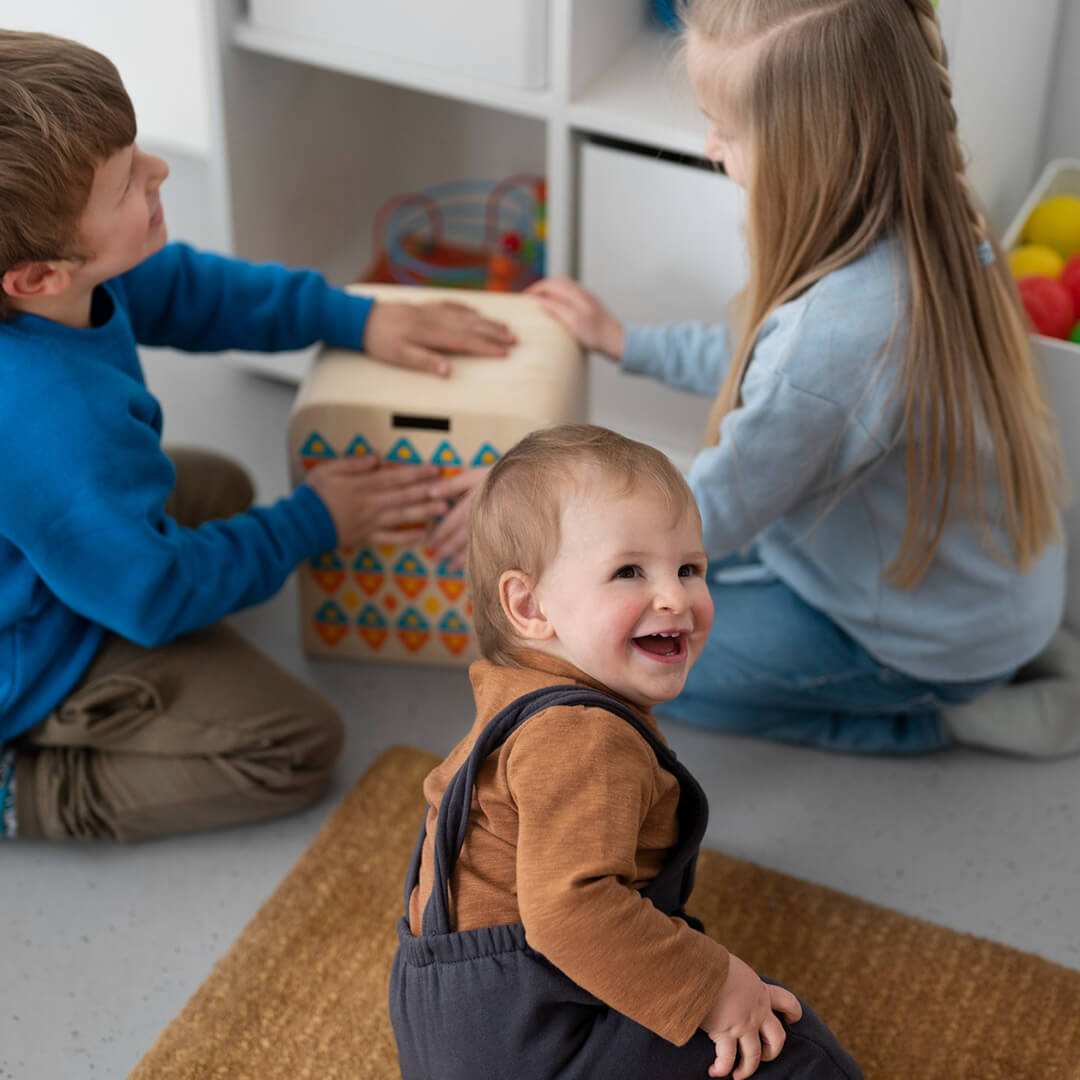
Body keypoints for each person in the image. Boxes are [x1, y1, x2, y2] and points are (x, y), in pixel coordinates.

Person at [0, 29, 518, 842]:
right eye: (128, 182)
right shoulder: (54, 420)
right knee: (297, 745)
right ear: (36, 278)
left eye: (138, 150)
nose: (161, 169)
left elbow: (190, 291)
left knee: (215, 489)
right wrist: (313, 523)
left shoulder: (57, 284)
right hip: (24, 659)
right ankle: (19, 788)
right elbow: (153, 596)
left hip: (52, 549)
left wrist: (354, 315)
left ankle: (115, 567)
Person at [527, 0, 1074, 757]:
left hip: (917, 640)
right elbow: (761, 358)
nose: (712, 147)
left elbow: (709, 517)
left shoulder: (838, 338)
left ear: (808, 156)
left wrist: (555, 551)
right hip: (973, 592)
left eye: (727, 128)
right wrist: (624, 342)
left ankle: (942, 716)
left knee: (624, 663)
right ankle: (1010, 649)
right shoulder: (928, 212)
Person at [390, 424, 863, 1080]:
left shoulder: (516, 692)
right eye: (629, 571)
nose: (676, 598)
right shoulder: (586, 736)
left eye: (689, 568)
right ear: (529, 607)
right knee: (788, 1046)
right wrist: (717, 986)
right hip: (529, 1040)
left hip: (443, 1023)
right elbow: (571, 911)